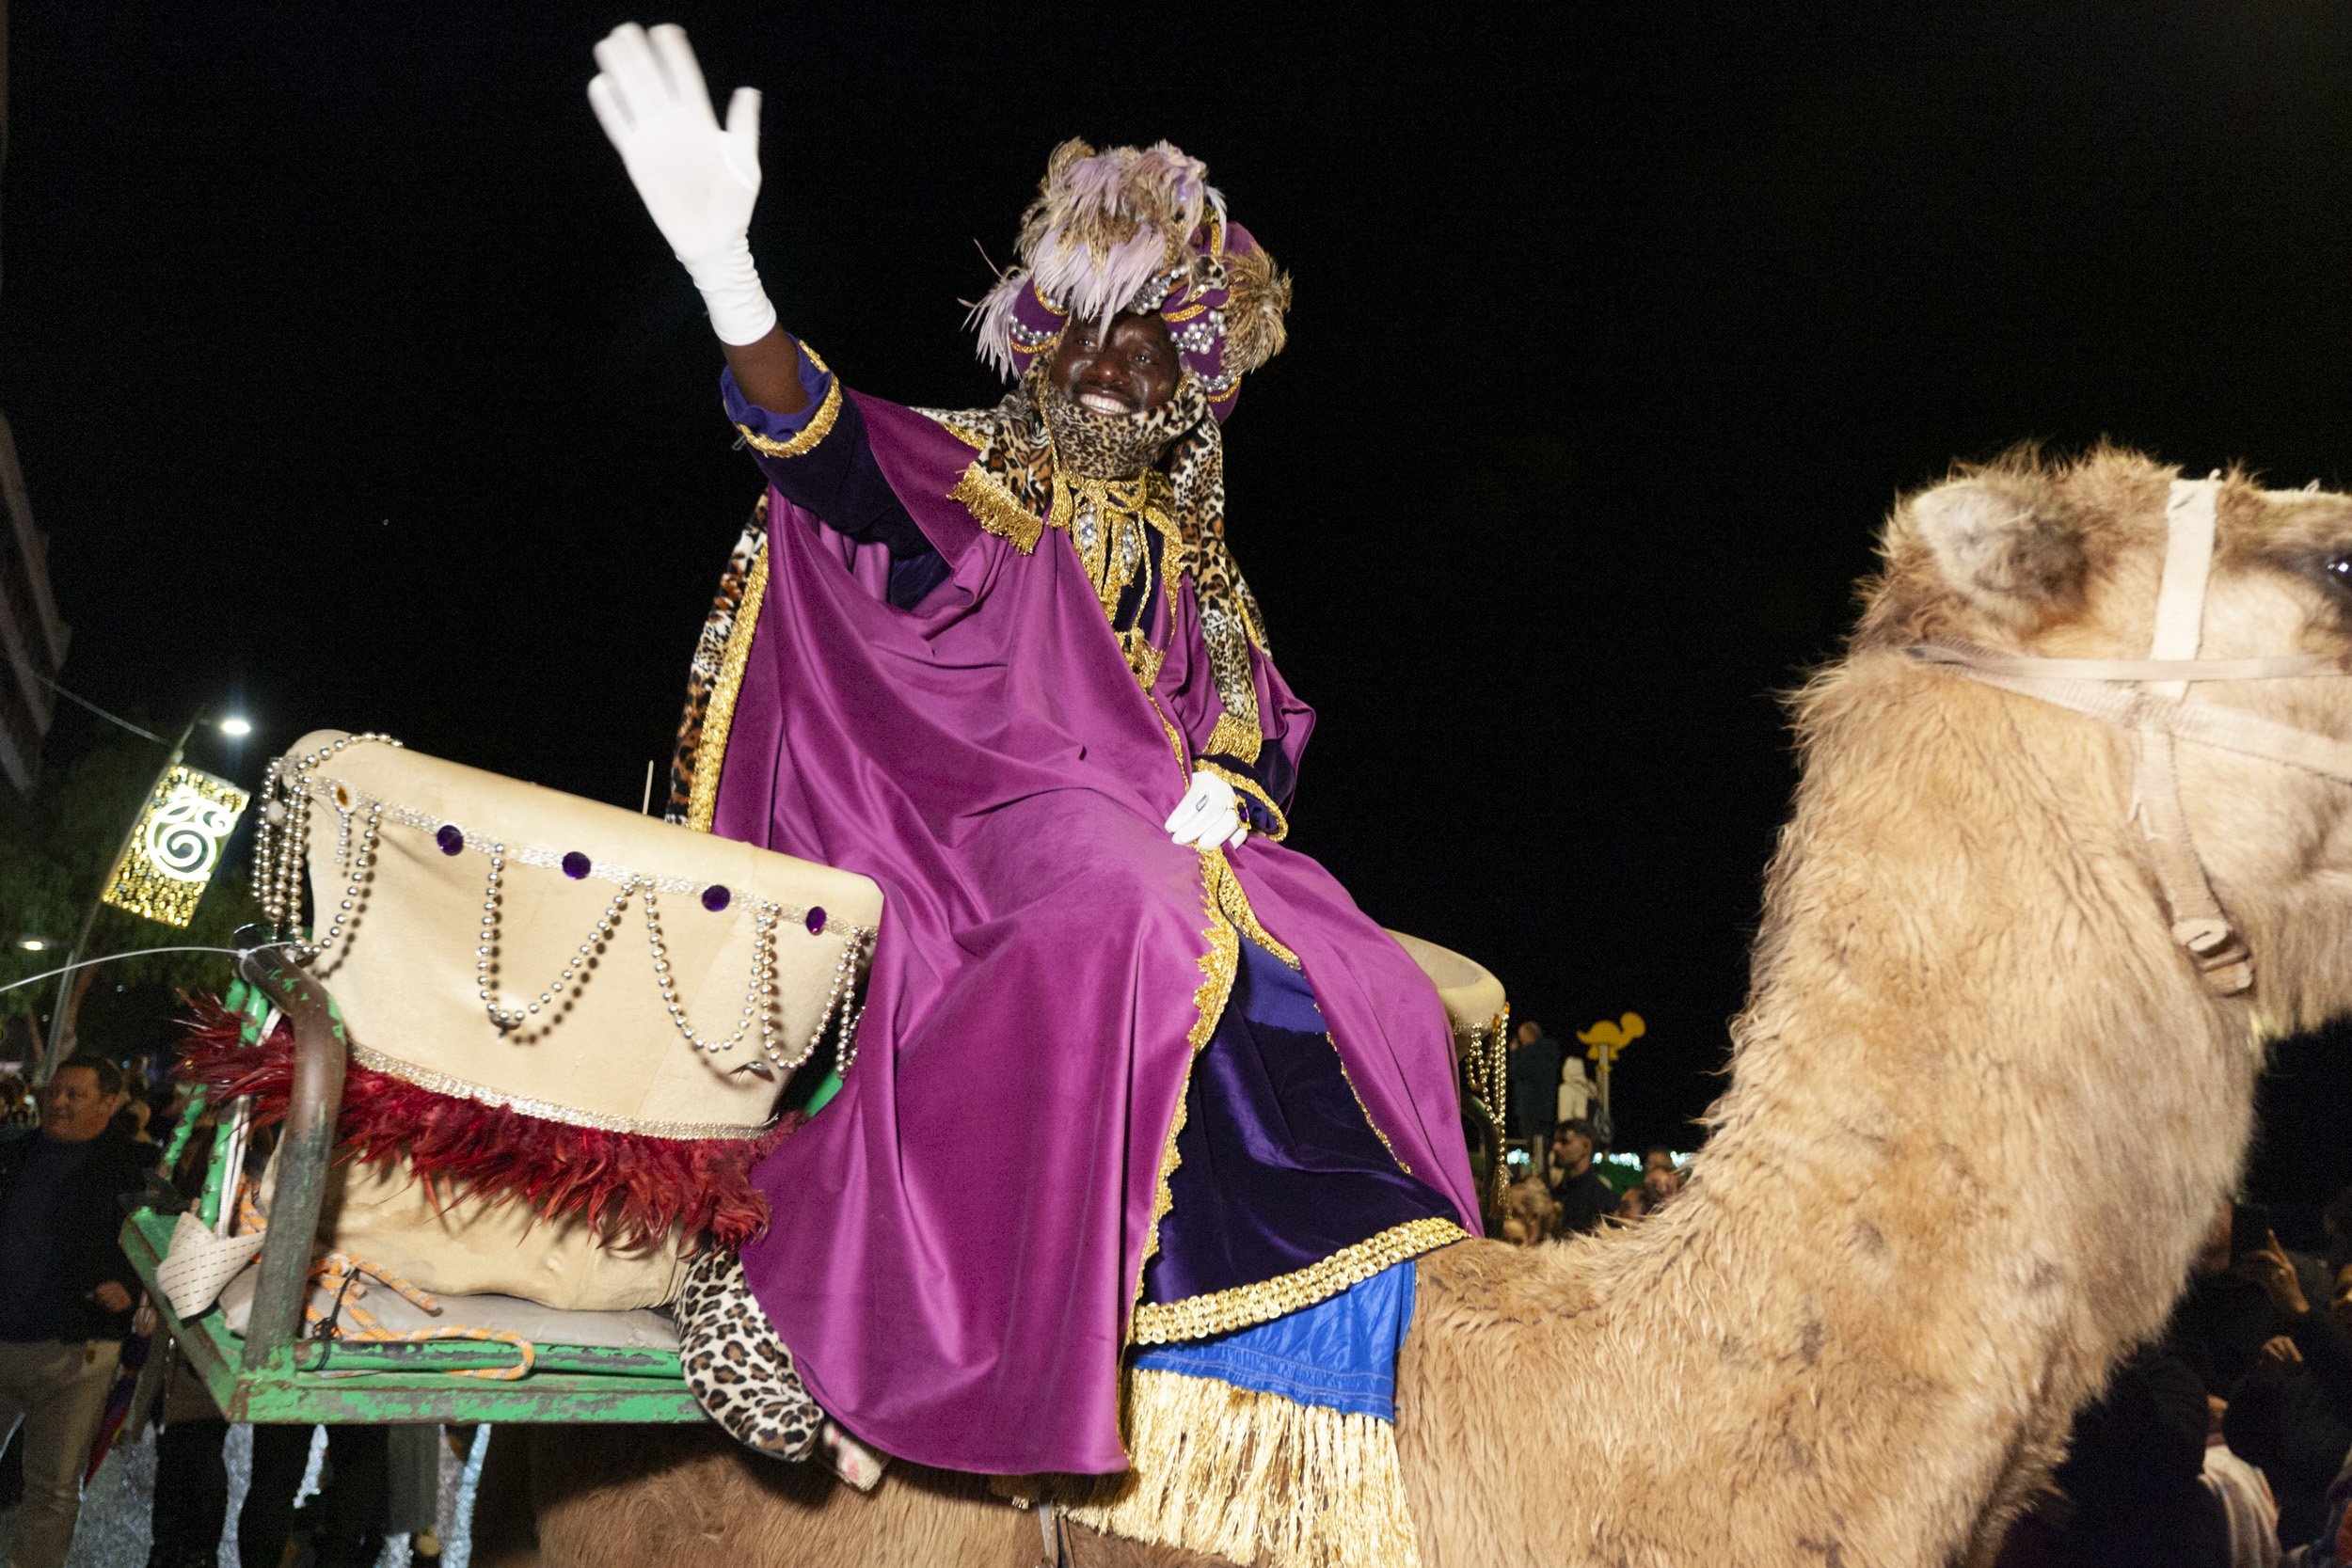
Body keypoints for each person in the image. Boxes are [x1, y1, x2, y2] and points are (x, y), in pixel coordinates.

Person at [588, 22, 1479, 1548]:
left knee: (1370, 979)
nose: (1114, 366)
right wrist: (733, 288)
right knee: (1119, 905)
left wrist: (1227, 785)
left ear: (1195, 377)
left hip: (1157, 837)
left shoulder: (1204, 559)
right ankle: (915, 1302)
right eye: (1087, 331)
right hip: (962, 828)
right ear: (1041, 338)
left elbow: (1246, 724)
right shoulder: (988, 482)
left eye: (1150, 341)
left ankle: (1284, 1352)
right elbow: (828, 462)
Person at [0, 1053, 155, 1568]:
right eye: (56, 1092)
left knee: (53, 1491)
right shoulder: (13, 1155)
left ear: (108, 1105)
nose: (59, 1102)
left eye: (75, 1094)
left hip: (77, 1353)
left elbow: (169, 1247)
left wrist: (131, 1286)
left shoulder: (134, 1170)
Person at [1547, 1118, 1615, 1237]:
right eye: (1556, 1141)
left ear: (1585, 1146)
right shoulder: (1555, 1193)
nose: (1556, 1147)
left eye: (1564, 1142)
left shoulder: (1603, 1200)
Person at [1507, 1020, 1562, 1147]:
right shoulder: (1550, 1052)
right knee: (1545, 1144)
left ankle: (1538, 1166)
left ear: (1528, 1035)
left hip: (1528, 1107)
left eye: (1521, 1037)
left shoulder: (1528, 1053)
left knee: (1532, 1144)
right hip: (1547, 1107)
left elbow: (1514, 1073)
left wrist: (1514, 1053)